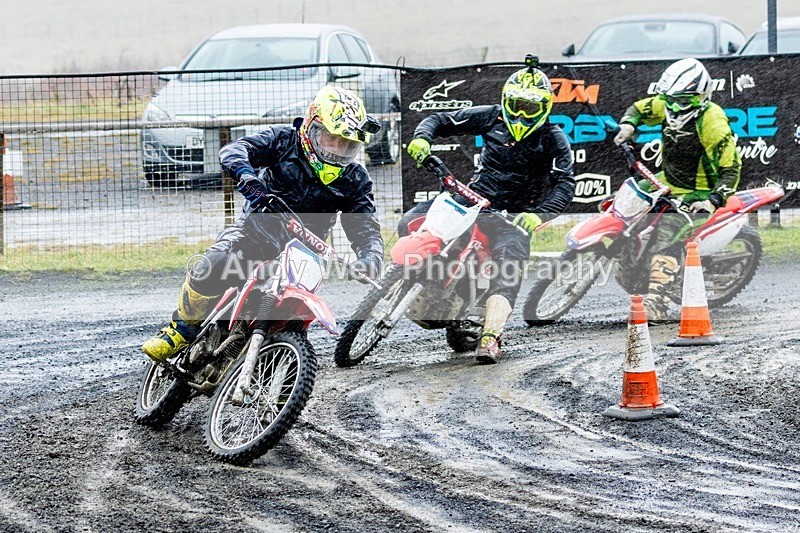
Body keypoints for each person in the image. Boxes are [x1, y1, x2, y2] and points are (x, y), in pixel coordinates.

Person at [142, 85, 384, 363]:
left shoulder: (355, 177)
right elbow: (237, 149)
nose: (337, 151)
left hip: (306, 253)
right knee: (212, 264)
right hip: (256, 233)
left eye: (346, 145)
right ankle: (181, 328)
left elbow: (364, 225)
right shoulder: (283, 140)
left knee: (296, 315)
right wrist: (248, 178)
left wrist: (371, 257)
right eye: (332, 140)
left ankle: (287, 375)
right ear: (312, 127)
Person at [404, 64, 576, 364]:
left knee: (509, 266)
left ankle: (491, 335)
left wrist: (539, 215)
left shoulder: (553, 137)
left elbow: (565, 184)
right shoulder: (492, 115)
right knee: (411, 220)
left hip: (513, 216)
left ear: (545, 107)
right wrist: (422, 137)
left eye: (530, 108)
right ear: (506, 102)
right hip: (472, 199)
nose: (521, 115)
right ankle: (423, 283)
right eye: (516, 106)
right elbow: (440, 119)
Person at [614, 57, 741, 321]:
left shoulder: (712, 123)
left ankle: (657, 302)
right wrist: (628, 124)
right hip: (666, 179)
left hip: (700, 191)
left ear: (702, 97)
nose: (673, 107)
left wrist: (712, 200)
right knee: (625, 202)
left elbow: (732, 168)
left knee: (669, 233)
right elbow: (639, 108)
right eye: (670, 100)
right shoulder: (669, 102)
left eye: (682, 101)